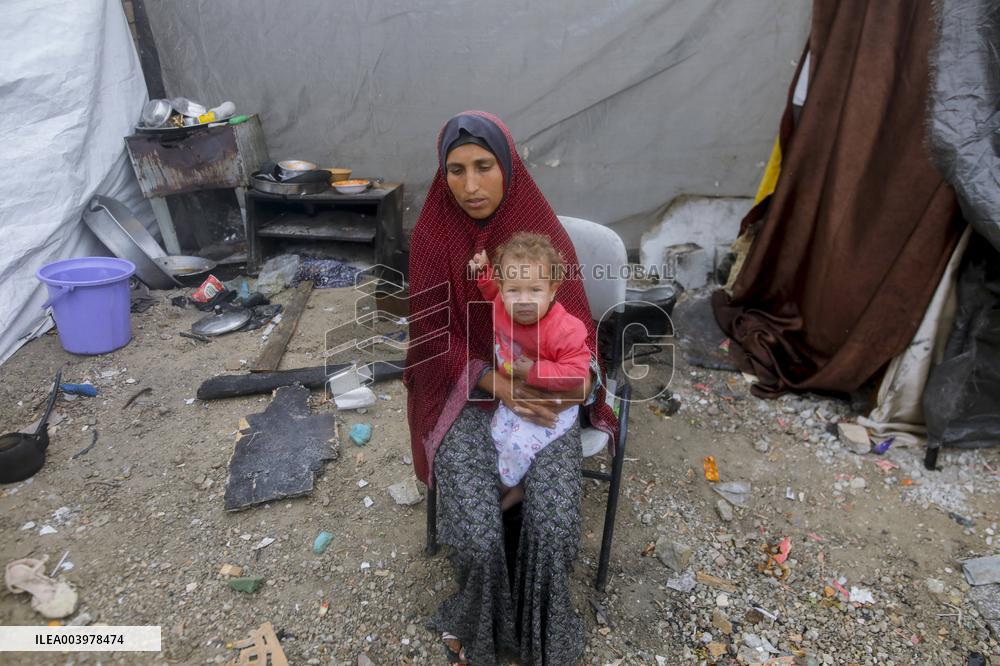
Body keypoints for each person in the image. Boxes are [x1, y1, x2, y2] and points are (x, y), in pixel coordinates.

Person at [404, 110, 617, 665]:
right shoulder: (432, 233)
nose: (470, 186)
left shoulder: (540, 234)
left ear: (509, 166)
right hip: (463, 392)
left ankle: (539, 636)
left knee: (553, 529)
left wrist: (570, 383)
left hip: (543, 401)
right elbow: (427, 333)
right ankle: (482, 631)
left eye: (483, 166)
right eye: (455, 170)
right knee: (476, 536)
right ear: (442, 173)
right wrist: (494, 379)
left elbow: (580, 336)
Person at [469, 233, 591, 511]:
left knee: (518, 447)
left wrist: (535, 371)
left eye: (535, 290)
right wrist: (484, 271)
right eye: (514, 290)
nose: (523, 301)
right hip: (515, 391)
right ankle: (517, 482)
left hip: (552, 401)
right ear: (503, 288)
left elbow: (577, 372)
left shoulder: (564, 330)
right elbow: (489, 289)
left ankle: (508, 487)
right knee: (498, 434)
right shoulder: (500, 302)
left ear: (553, 289)